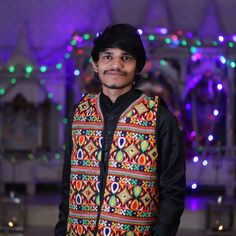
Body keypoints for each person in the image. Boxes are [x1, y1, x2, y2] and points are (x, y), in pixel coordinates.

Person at [55, 23, 185, 236]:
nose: (115, 65)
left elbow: (173, 193)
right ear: (95, 64)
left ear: (138, 66)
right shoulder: (79, 114)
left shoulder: (159, 117)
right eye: (107, 57)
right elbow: (68, 182)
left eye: (126, 58)